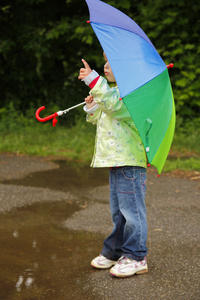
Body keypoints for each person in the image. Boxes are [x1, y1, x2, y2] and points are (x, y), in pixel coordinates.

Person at [78, 53, 148, 278]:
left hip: (129, 161)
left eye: (111, 63)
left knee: (132, 212)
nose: (105, 66)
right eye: (105, 61)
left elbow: (115, 108)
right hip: (115, 161)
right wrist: (91, 107)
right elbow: (101, 117)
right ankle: (115, 251)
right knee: (119, 213)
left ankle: (137, 256)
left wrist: (93, 80)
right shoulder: (113, 93)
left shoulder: (133, 95)